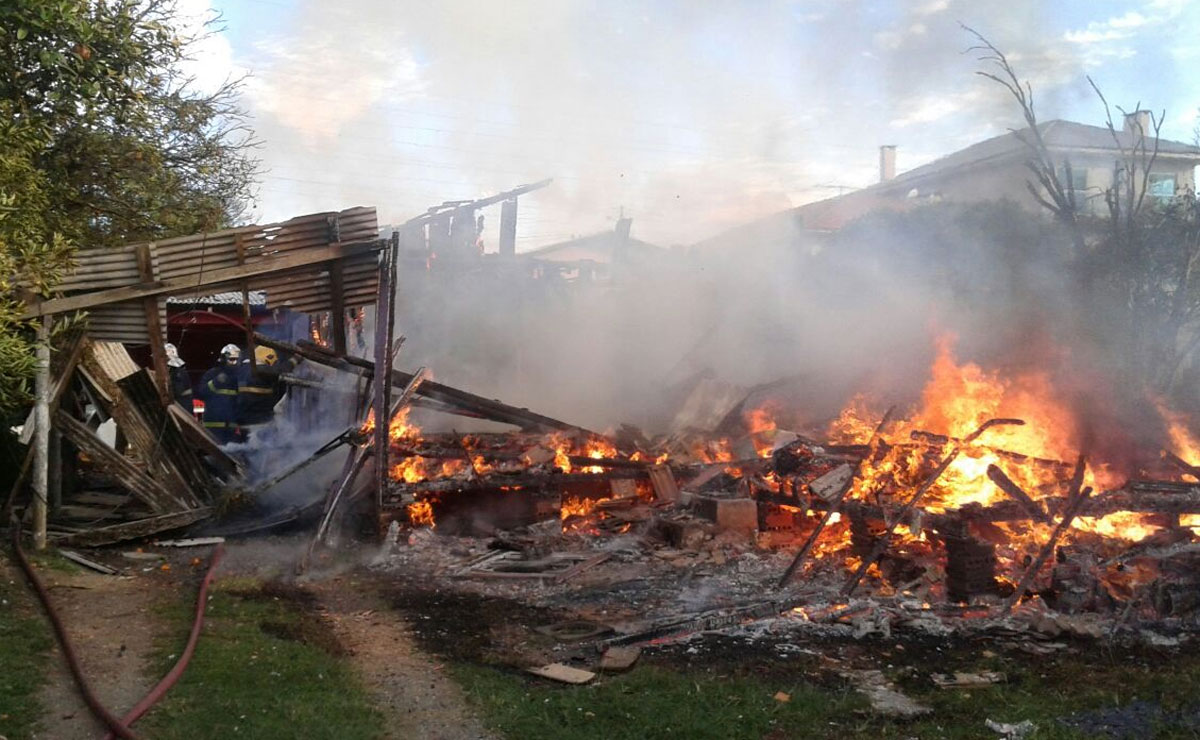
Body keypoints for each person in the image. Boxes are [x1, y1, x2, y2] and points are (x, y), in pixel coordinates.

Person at [236, 344, 300, 438]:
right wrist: (296, 359)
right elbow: (282, 370)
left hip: (244, 420)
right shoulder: (259, 369)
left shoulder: (242, 369)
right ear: (267, 358)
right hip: (259, 421)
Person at [198, 344, 240, 443]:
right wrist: (216, 382)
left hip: (231, 427)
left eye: (237, 360)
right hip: (213, 426)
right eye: (232, 359)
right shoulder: (212, 374)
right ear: (224, 359)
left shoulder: (239, 376)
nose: (235, 363)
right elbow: (201, 393)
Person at [164, 343, 192, 410]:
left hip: (182, 404)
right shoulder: (174, 370)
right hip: (180, 402)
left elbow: (178, 390)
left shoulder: (177, 371)